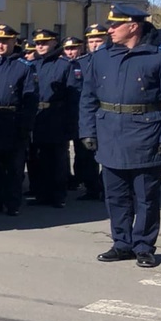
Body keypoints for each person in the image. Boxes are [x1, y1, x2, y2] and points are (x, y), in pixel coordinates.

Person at [79, 4, 161, 267]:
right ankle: (121, 243)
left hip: (146, 134)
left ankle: (143, 245)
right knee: (116, 195)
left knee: (145, 196)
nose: (110, 30)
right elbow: (88, 97)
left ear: (133, 26)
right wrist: (87, 130)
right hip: (110, 132)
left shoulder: (159, 56)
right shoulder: (101, 57)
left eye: (115, 25)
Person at [0, 23, 38, 217]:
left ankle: (13, 203)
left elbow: (30, 100)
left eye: (5, 41)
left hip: (13, 120)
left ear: (14, 41)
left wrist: (26, 126)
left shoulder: (24, 67)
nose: (1, 45)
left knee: (13, 167)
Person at [29, 29, 79, 208]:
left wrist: (71, 125)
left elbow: (73, 97)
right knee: (38, 159)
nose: (40, 46)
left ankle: (58, 195)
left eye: (44, 43)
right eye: (37, 43)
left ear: (54, 43)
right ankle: (41, 194)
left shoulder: (65, 65)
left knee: (57, 160)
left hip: (57, 117)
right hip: (37, 117)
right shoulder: (32, 64)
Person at [71, 23, 108, 200]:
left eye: (99, 40)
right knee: (85, 155)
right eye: (91, 41)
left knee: (108, 154)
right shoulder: (81, 63)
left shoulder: (113, 60)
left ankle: (106, 187)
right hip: (86, 116)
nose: (95, 44)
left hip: (107, 115)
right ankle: (92, 188)